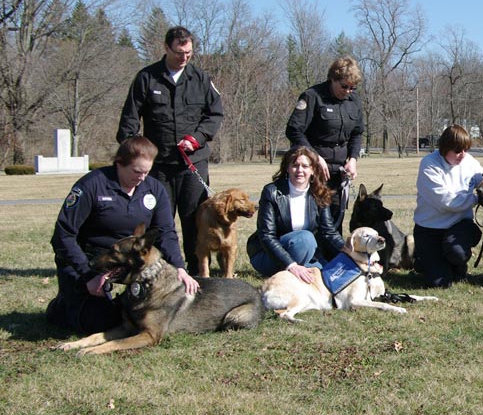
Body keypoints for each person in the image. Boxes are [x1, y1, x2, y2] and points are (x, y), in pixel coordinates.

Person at [47, 136, 200, 334]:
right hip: (90, 259)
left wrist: (179, 267)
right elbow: (63, 236)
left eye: (147, 172)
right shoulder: (91, 185)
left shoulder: (154, 189)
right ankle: (63, 305)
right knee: (101, 323)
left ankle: (120, 302)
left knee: (147, 313)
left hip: (129, 261)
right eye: (137, 171)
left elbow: (165, 233)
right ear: (119, 163)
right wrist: (88, 275)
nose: (142, 177)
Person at [117, 26, 223, 276]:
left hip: (192, 164)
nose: (184, 57)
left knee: (194, 221)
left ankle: (198, 272)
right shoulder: (146, 78)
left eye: (189, 52)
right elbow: (129, 120)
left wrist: (196, 139)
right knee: (158, 221)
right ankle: (160, 269)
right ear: (166, 48)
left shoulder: (201, 79)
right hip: (158, 168)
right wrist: (135, 153)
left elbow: (215, 114)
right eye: (179, 52)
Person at [285, 57, 366, 246]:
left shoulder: (354, 101)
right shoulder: (313, 96)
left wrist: (353, 159)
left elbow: (357, 133)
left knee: (335, 217)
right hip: (313, 168)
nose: (348, 91)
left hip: (339, 170)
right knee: (314, 215)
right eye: (344, 86)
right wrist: (313, 157)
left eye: (352, 88)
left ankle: (331, 260)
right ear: (333, 79)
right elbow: (293, 130)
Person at [247, 146, 346, 282]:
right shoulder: (272, 191)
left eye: (305, 166)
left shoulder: (320, 193)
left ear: (312, 170)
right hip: (267, 255)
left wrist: (350, 251)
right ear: (287, 168)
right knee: (306, 239)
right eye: (295, 165)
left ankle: (303, 270)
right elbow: (266, 236)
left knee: (329, 273)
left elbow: (329, 231)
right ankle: (293, 270)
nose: (300, 170)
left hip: (304, 253)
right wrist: (292, 265)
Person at [412, 124, 483, 288]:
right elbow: (447, 201)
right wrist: (475, 199)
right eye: (458, 150)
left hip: (459, 226)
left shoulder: (469, 161)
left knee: (455, 253)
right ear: (444, 149)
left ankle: (458, 262)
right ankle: (424, 260)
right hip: (430, 229)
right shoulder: (429, 165)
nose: (462, 155)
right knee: (439, 283)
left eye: (466, 149)